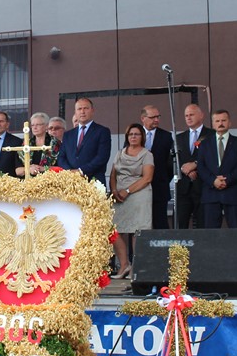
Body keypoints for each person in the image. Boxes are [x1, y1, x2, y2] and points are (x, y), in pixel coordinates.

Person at [109, 123, 154, 278]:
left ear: (142, 137)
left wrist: (127, 191)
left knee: (137, 231)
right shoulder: (120, 153)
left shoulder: (147, 154)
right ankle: (124, 265)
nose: (133, 137)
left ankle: (136, 267)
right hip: (119, 195)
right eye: (130, 134)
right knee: (114, 230)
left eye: (137, 134)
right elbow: (113, 174)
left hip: (139, 194)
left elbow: (147, 178)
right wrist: (114, 191)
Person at [197, 109, 237, 228]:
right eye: (217, 121)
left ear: (229, 122)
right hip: (211, 194)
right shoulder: (204, 144)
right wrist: (213, 180)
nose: (220, 123)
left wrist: (227, 179)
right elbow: (201, 166)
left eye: (224, 120)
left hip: (233, 193)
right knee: (211, 233)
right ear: (213, 124)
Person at [58, 98, 112, 186]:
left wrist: (81, 171)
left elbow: (102, 157)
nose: (82, 112)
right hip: (71, 182)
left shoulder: (102, 131)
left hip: (93, 182)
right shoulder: (68, 135)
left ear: (92, 110)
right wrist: (70, 172)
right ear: (75, 112)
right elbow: (61, 157)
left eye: (86, 108)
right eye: (79, 109)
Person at [140, 104, 174, 230]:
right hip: (138, 188)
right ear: (143, 118)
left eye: (158, 117)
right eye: (152, 117)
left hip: (159, 188)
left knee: (160, 223)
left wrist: (163, 179)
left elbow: (170, 164)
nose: (156, 120)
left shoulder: (166, 136)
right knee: (140, 224)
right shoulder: (134, 134)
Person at [174, 104, 206, 229]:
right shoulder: (179, 137)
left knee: (203, 225)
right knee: (181, 225)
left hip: (203, 187)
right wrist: (184, 170)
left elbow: (213, 159)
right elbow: (173, 161)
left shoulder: (211, 135)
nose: (188, 117)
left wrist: (196, 165)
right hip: (184, 189)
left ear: (201, 115)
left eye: (191, 114)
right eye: (186, 115)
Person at [16, 112, 58, 177]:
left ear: (46, 126)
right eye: (32, 125)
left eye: (38, 125)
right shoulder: (25, 144)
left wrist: (42, 169)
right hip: (28, 181)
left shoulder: (56, 144)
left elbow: (61, 168)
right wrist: (29, 169)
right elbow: (17, 171)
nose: (35, 127)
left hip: (50, 180)